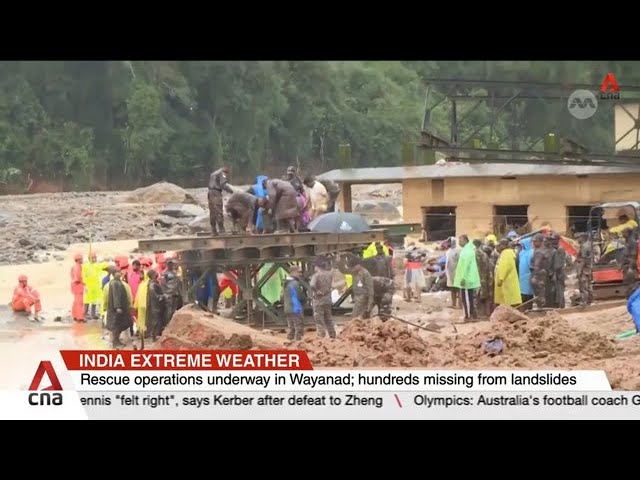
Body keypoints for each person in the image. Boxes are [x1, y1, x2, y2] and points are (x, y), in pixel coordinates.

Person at [453, 235, 480, 321]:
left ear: (465, 240)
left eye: (460, 240)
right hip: (468, 278)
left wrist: (463, 278)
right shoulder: (467, 249)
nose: (459, 242)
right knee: (470, 298)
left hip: (467, 279)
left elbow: (466, 265)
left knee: (467, 299)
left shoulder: (467, 251)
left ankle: (468, 315)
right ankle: (470, 315)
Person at [104, 270, 133, 348]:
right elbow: (116, 296)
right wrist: (118, 307)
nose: (119, 273)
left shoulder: (117, 282)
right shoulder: (115, 283)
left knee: (120, 325)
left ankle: (117, 341)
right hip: (116, 309)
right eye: (117, 272)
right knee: (116, 325)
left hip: (121, 307)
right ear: (114, 274)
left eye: (120, 272)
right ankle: (115, 342)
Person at [309, 258, 336, 339]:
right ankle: (332, 335)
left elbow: (312, 285)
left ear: (317, 267)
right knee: (328, 318)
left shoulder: (316, 275)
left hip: (318, 300)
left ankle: (321, 336)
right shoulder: (329, 274)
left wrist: (317, 291)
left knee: (319, 320)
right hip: (327, 299)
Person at [208, 165, 234, 236]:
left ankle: (213, 230)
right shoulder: (222, 173)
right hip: (216, 193)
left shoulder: (213, 173)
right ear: (226, 172)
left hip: (210, 192)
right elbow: (223, 185)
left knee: (212, 211)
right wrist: (231, 191)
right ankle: (222, 230)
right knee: (218, 210)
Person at [494, 238, 521, 307]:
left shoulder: (506, 253)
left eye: (499, 245)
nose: (498, 247)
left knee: (508, 301)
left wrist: (501, 278)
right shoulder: (506, 253)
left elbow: (505, 267)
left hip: (506, 282)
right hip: (507, 280)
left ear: (504, 246)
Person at [82, 252, 108, 321]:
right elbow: (83, 276)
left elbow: (103, 266)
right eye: (93, 258)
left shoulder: (96, 265)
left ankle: (93, 314)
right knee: (87, 301)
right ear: (89, 258)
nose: (95, 259)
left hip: (95, 286)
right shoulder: (85, 266)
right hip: (88, 286)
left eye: (95, 257)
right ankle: (84, 314)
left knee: (94, 301)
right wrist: (84, 285)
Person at [283, 266, 305, 342]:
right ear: (293, 272)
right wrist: (305, 300)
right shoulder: (294, 283)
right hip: (295, 308)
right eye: (298, 272)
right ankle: (298, 345)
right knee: (299, 328)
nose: (300, 274)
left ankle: (288, 344)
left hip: (288, 308)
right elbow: (300, 296)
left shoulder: (286, 283)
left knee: (291, 328)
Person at [473, 239, 493, 318]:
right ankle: (487, 313)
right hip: (485, 277)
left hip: (479, 278)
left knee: (479, 296)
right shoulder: (484, 254)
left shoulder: (477, 253)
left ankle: (481, 314)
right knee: (486, 296)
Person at [529, 233, 549, 310]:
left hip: (539, 275)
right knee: (540, 292)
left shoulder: (539, 252)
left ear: (540, 242)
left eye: (535, 241)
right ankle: (540, 307)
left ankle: (541, 309)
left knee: (540, 293)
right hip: (541, 273)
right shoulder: (538, 250)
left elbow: (537, 265)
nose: (533, 243)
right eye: (533, 241)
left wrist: (534, 277)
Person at [146, 269, 166, 340]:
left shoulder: (155, 283)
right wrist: (161, 296)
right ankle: (155, 335)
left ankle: (156, 334)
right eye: (155, 273)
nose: (157, 273)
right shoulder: (152, 284)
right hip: (155, 305)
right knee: (156, 320)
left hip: (158, 305)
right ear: (152, 275)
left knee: (158, 319)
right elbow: (154, 295)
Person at [162, 258, 183, 326]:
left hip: (175, 294)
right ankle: (168, 324)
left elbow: (178, 283)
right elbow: (163, 284)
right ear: (167, 264)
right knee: (169, 311)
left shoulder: (175, 273)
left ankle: (173, 324)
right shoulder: (165, 273)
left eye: (172, 264)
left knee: (174, 310)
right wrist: (166, 293)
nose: (171, 265)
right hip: (169, 294)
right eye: (169, 264)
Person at [574, 232, 593, 306]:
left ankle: (584, 302)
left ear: (583, 238)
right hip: (588, 269)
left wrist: (579, 271)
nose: (577, 239)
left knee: (583, 286)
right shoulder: (588, 245)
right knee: (588, 285)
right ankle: (589, 300)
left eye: (579, 238)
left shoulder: (584, 247)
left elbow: (583, 260)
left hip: (584, 269)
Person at [549, 234, 568, 308]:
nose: (552, 241)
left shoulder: (560, 250)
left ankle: (561, 306)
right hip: (559, 272)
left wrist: (553, 274)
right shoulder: (556, 249)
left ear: (558, 240)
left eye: (554, 240)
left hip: (559, 273)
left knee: (560, 290)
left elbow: (557, 265)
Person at [516, 237, 535, 308]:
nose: (521, 246)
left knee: (528, 295)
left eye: (522, 245)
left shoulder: (531, 253)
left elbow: (532, 267)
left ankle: (528, 310)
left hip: (528, 276)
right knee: (523, 295)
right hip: (522, 277)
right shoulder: (522, 252)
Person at [622, 227, 639, 297]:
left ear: (628, 233)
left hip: (630, 265)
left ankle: (633, 296)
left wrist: (630, 268)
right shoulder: (627, 242)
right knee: (627, 282)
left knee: (631, 282)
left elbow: (633, 256)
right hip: (627, 265)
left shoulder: (632, 242)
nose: (623, 234)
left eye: (624, 232)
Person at [445, 237, 461, 309]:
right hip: (450, 273)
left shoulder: (459, 250)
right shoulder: (448, 251)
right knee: (452, 289)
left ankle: (460, 304)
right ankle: (453, 303)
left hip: (457, 272)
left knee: (458, 289)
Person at [70, 253, 85, 323]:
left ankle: (75, 316)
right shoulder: (78, 267)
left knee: (76, 302)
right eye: (81, 259)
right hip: (78, 286)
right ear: (79, 260)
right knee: (79, 302)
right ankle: (80, 317)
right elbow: (78, 278)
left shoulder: (74, 266)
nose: (82, 260)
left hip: (74, 286)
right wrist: (83, 282)